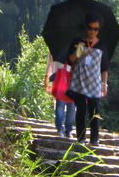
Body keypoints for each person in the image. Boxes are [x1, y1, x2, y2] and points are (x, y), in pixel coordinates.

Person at [66, 11, 109, 146]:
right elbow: (70, 59)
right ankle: (80, 138)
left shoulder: (102, 45)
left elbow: (104, 67)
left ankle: (94, 139)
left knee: (94, 111)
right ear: (86, 27)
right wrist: (80, 50)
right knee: (81, 110)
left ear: (99, 29)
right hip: (79, 81)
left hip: (95, 83)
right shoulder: (78, 42)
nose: (92, 32)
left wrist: (104, 84)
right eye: (90, 28)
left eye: (96, 29)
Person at [44, 53, 75, 137]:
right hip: (72, 79)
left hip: (60, 79)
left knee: (61, 105)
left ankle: (60, 129)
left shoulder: (57, 48)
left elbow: (49, 65)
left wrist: (46, 79)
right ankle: (68, 130)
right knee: (71, 106)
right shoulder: (77, 46)